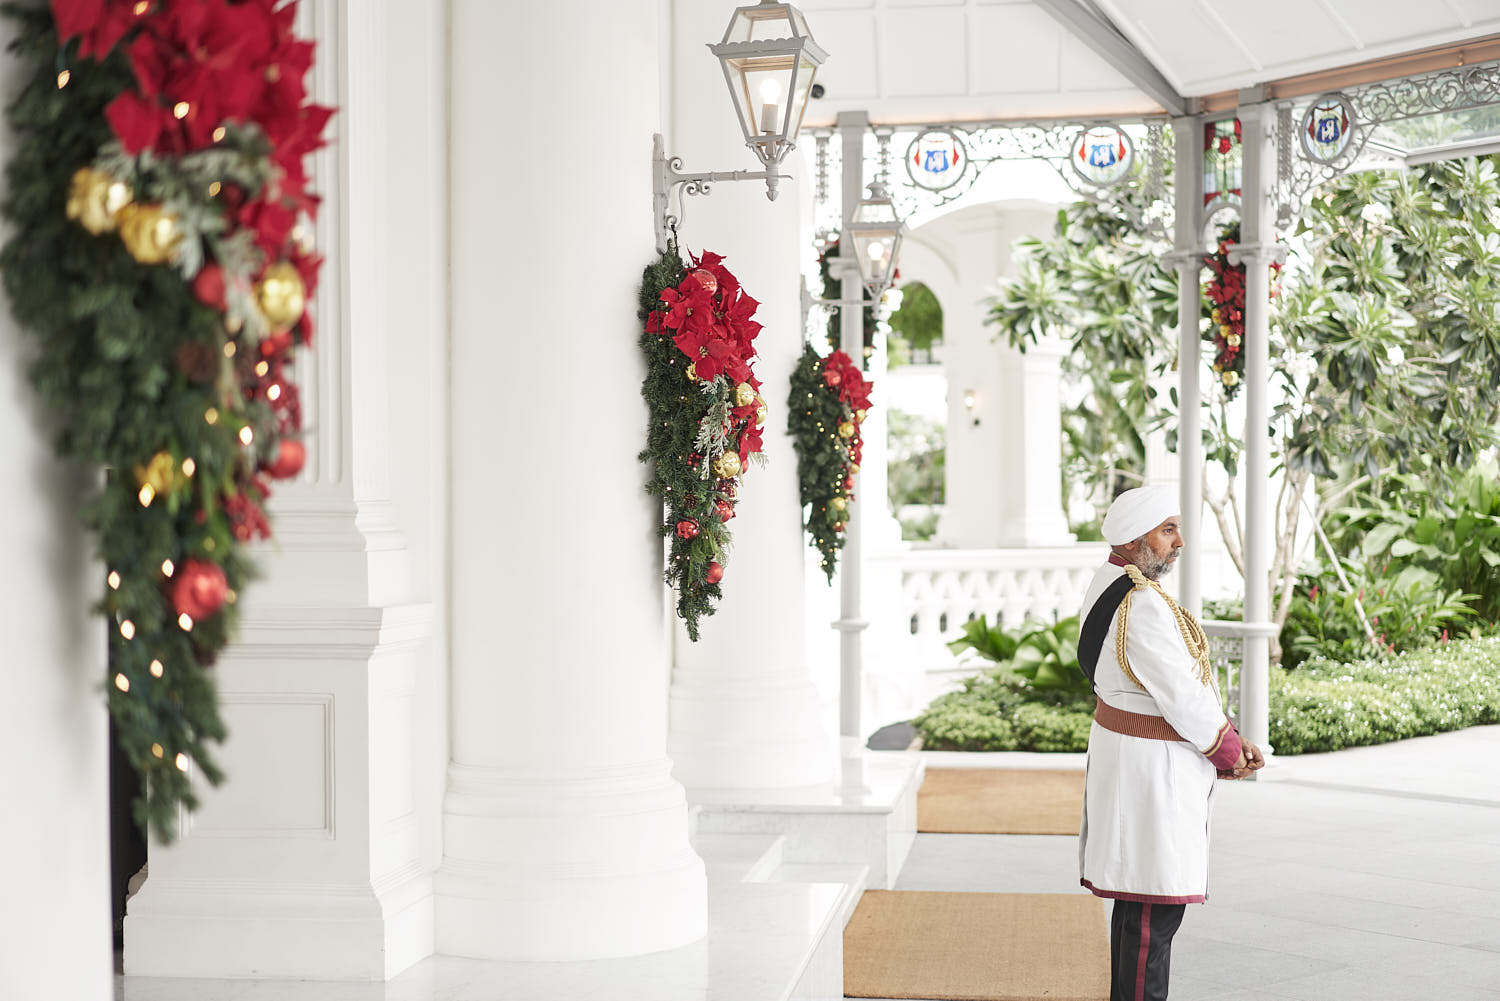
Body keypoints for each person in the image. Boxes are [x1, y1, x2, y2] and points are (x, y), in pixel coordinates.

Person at [1076, 484, 1264, 1001]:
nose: (1179, 541)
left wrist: (1225, 740)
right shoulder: (1141, 604)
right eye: (1167, 530)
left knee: (1139, 911)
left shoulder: (1111, 580)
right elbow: (1182, 695)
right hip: (1150, 773)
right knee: (1151, 920)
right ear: (1137, 539)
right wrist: (1228, 750)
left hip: (1133, 764)